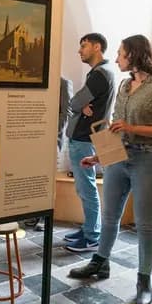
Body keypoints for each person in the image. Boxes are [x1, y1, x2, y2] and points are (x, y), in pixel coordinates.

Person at [69, 34, 152, 304]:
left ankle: (144, 282)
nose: (117, 58)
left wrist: (134, 129)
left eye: (121, 54)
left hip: (149, 161)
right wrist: (101, 156)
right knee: (110, 217)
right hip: (118, 160)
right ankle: (100, 262)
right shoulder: (123, 85)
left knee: (145, 224)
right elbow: (116, 128)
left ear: (134, 55)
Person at [62, 33, 117, 252]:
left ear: (96, 47)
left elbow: (74, 102)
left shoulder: (99, 75)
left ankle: (92, 236)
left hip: (85, 138)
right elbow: (78, 104)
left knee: (87, 188)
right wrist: (81, 105)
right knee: (85, 187)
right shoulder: (101, 73)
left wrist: (80, 105)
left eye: (84, 46)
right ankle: (88, 229)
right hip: (89, 137)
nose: (80, 50)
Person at [23, 76, 73, 231]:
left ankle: (46, 218)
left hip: (52, 139)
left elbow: (67, 112)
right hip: (34, 137)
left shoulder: (64, 83)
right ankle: (35, 213)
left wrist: (53, 132)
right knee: (34, 176)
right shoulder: (37, 79)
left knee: (48, 180)